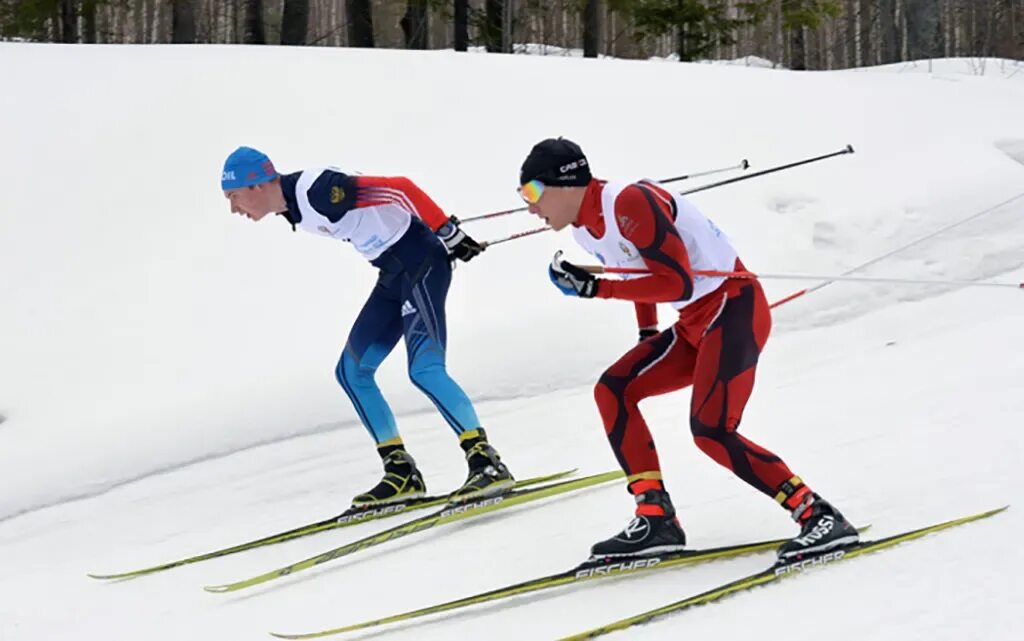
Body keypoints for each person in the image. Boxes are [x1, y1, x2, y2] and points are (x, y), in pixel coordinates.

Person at [516, 137, 858, 560]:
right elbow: (637, 270)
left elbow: (674, 281)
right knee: (614, 389)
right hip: (695, 322)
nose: (529, 205)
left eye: (532, 192)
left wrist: (597, 289)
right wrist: (647, 335)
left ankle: (818, 515)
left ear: (565, 184)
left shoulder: (629, 202)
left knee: (711, 430)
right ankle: (655, 517)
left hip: (733, 309)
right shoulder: (585, 229)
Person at [220, 146, 514, 507]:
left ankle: (485, 461)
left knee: (424, 370)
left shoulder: (318, 190)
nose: (234, 208)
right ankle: (401, 472)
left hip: (422, 263)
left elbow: (402, 188)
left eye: (233, 197)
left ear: (256, 185)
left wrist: (447, 231)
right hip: (393, 273)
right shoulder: (292, 208)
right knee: (351, 372)